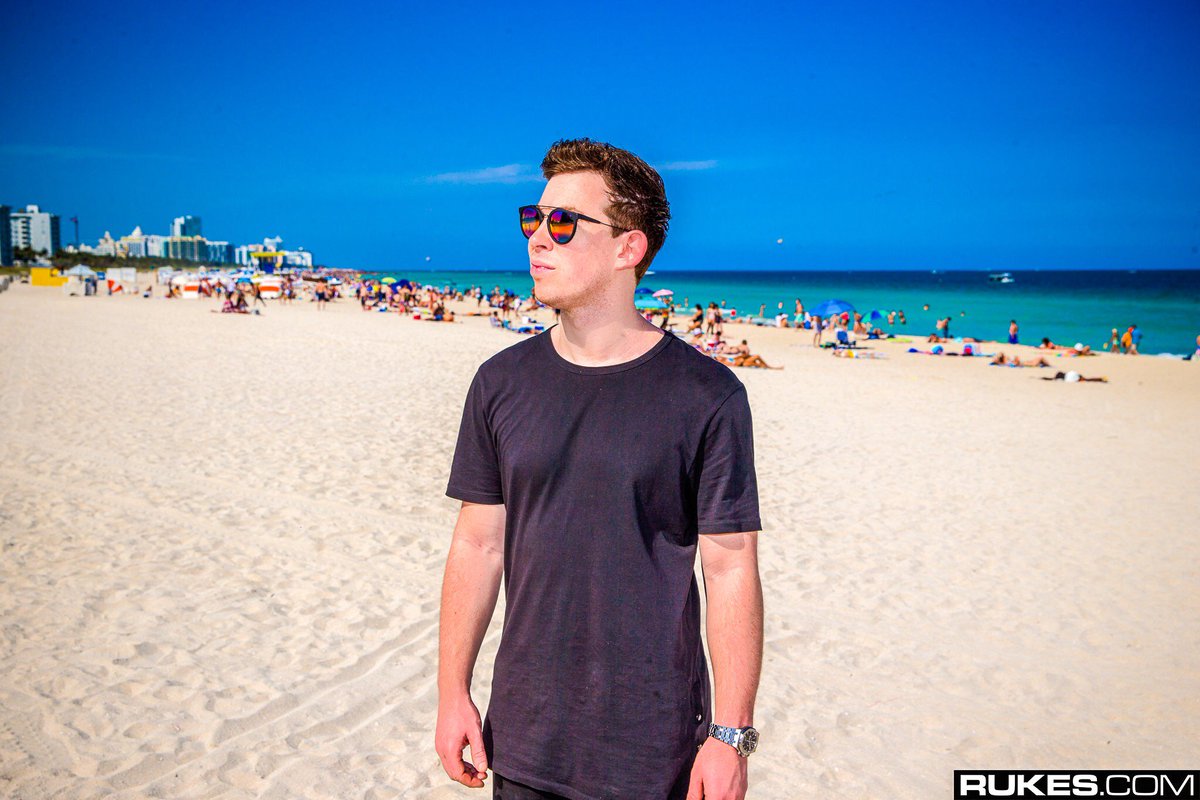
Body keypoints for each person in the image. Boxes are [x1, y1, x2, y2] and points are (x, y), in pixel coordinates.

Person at [437, 138, 763, 800]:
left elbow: (730, 567)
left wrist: (730, 738)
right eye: (533, 218)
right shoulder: (500, 383)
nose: (538, 238)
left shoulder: (708, 395)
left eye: (563, 222)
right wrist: (452, 693)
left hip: (655, 748)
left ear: (627, 248)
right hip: (524, 738)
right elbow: (477, 543)